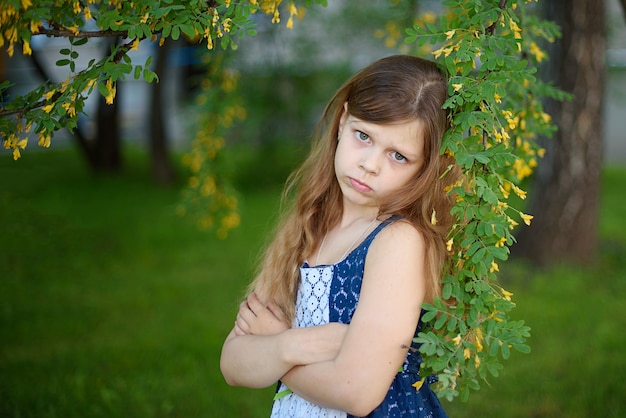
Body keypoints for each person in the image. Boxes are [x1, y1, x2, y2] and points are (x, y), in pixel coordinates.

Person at [220, 54, 456, 417]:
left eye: (398, 156)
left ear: (425, 168)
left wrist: (273, 350)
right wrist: (291, 344)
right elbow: (233, 363)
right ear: (343, 121)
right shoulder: (311, 225)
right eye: (364, 136)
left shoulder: (397, 241)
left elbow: (356, 392)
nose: (370, 164)